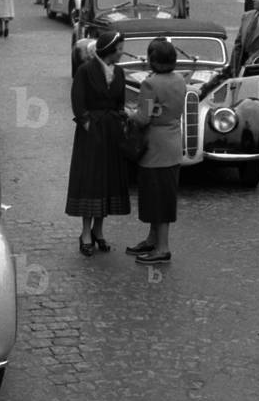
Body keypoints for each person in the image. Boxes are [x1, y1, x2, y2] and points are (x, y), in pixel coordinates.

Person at [65, 29, 131, 254]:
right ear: (111, 50)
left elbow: (120, 103)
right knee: (90, 181)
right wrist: (87, 124)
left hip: (111, 133)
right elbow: (78, 101)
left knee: (107, 181)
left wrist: (121, 121)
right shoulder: (85, 71)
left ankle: (99, 230)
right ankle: (85, 232)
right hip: (92, 134)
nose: (122, 53)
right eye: (120, 49)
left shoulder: (120, 73)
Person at [127, 38, 184, 265]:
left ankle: (162, 248)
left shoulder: (150, 84)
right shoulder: (179, 79)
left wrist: (128, 113)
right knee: (163, 196)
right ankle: (153, 239)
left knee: (157, 199)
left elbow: (143, 118)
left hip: (155, 147)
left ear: (153, 60)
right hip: (172, 142)